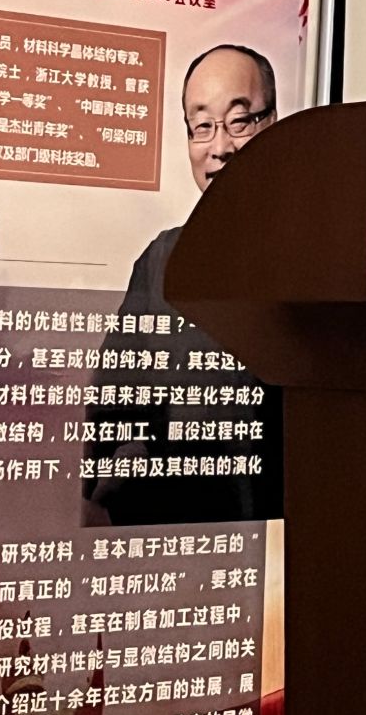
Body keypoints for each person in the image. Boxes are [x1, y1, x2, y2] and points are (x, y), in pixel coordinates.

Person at [80, 43, 286, 527]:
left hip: (288, 542)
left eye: (240, 121)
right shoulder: (161, 261)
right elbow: (112, 411)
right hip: (183, 541)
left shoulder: (319, 250)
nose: (220, 146)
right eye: (202, 126)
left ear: (273, 124)